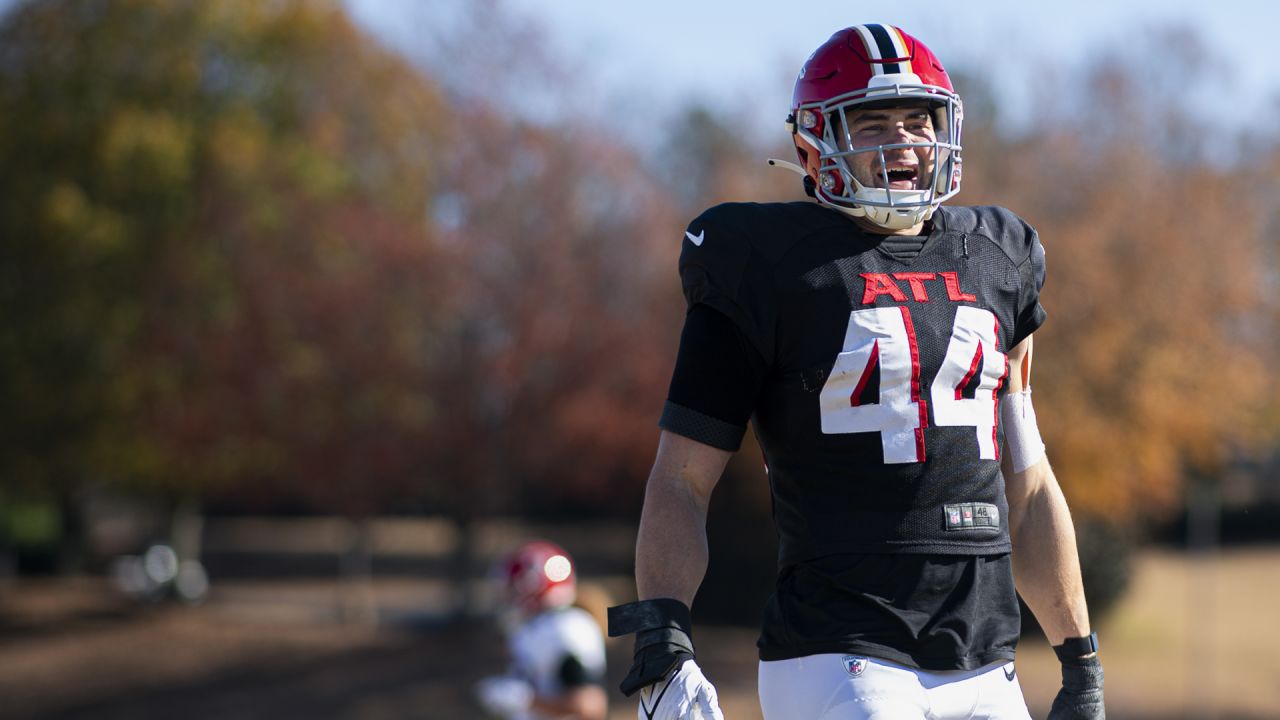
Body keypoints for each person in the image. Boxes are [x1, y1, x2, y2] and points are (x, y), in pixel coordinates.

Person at [606, 24, 1105, 720]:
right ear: (815, 141)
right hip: (837, 646)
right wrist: (660, 636)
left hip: (987, 655)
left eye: (919, 121)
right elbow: (683, 478)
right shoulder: (766, 264)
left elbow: (1028, 481)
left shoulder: (999, 259)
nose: (904, 142)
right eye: (873, 124)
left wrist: (1081, 664)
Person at [475, 540, 609, 720]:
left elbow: (590, 705)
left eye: (514, 590)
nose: (509, 599)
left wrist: (526, 700)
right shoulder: (533, 630)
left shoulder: (564, 629)